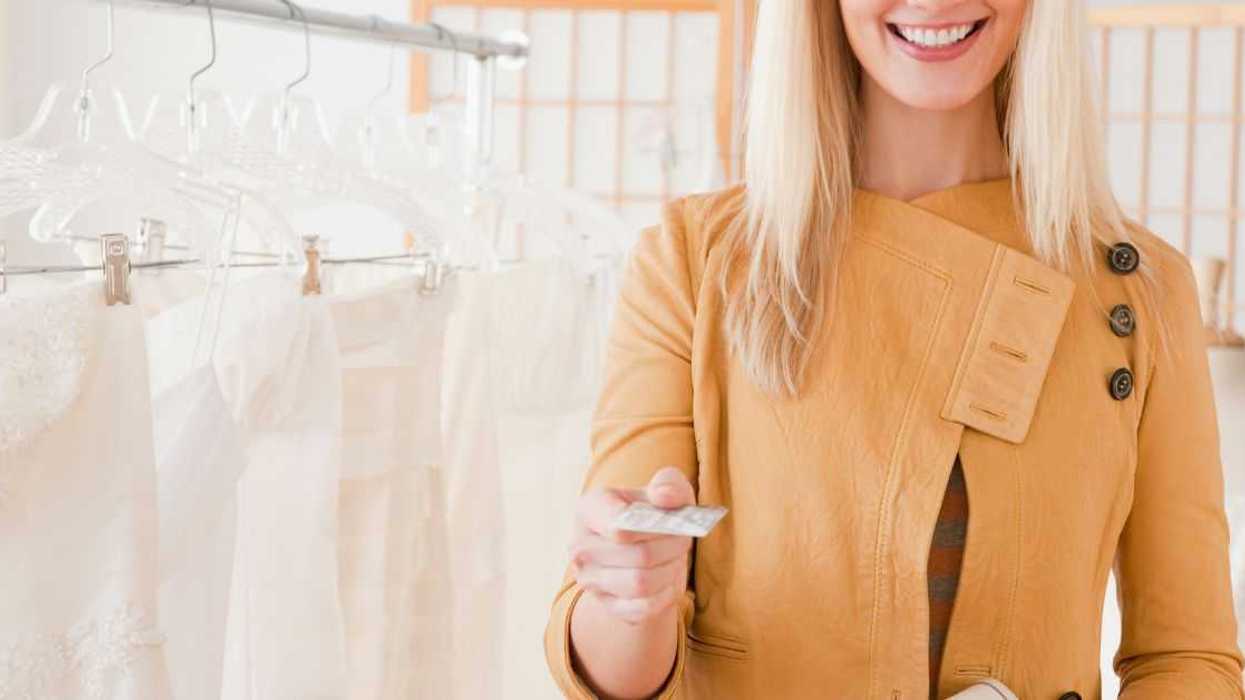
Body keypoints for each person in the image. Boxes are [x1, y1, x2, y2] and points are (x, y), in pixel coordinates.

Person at [544, 1, 1245, 698]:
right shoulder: (695, 262)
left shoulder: (1134, 291)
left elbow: (1188, 658)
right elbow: (611, 668)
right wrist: (629, 598)